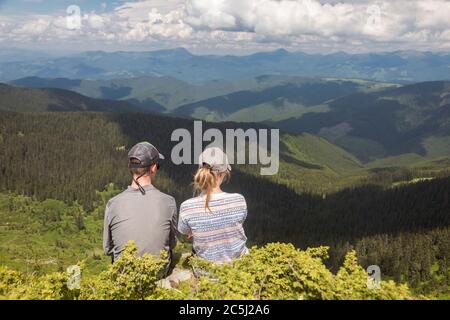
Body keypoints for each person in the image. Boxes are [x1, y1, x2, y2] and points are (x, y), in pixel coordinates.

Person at [103, 141, 177, 272]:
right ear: (153, 168)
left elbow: (107, 248)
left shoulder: (113, 203)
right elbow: (172, 244)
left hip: (124, 276)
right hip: (157, 273)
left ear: (130, 168)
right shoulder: (168, 201)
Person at [178, 147, 248, 264]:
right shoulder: (239, 200)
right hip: (239, 271)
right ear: (223, 174)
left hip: (206, 274)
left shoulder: (187, 207)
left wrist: (197, 228)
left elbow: (184, 231)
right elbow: (239, 223)